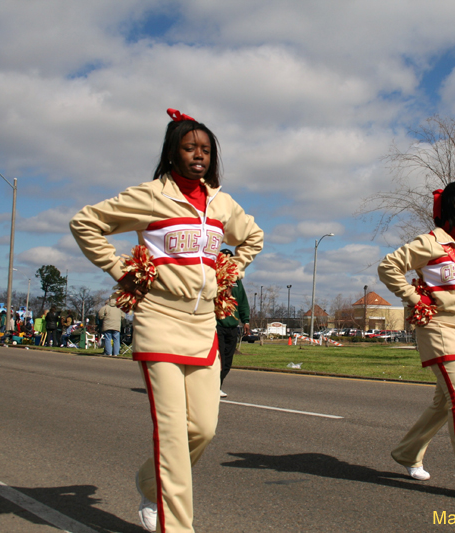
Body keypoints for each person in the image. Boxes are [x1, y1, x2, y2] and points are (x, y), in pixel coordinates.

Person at [70, 107, 263, 533]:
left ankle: (148, 482)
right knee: (173, 435)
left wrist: (230, 270)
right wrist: (123, 270)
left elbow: (253, 236)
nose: (199, 155)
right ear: (172, 153)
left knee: (204, 429)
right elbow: (85, 223)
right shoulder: (149, 196)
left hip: (202, 326)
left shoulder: (221, 202)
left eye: (206, 149)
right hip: (159, 319)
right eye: (190, 147)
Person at [378, 181, 455, 503]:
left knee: (442, 403)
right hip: (438, 329)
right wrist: (415, 299)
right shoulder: (430, 243)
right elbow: (388, 266)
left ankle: (407, 452)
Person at [215, 248, 251, 398]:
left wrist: (246, 321)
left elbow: (242, 301)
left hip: (232, 326)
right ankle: (213, 388)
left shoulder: (237, 281)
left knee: (227, 361)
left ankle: (218, 385)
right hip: (216, 325)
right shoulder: (214, 279)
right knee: (218, 359)